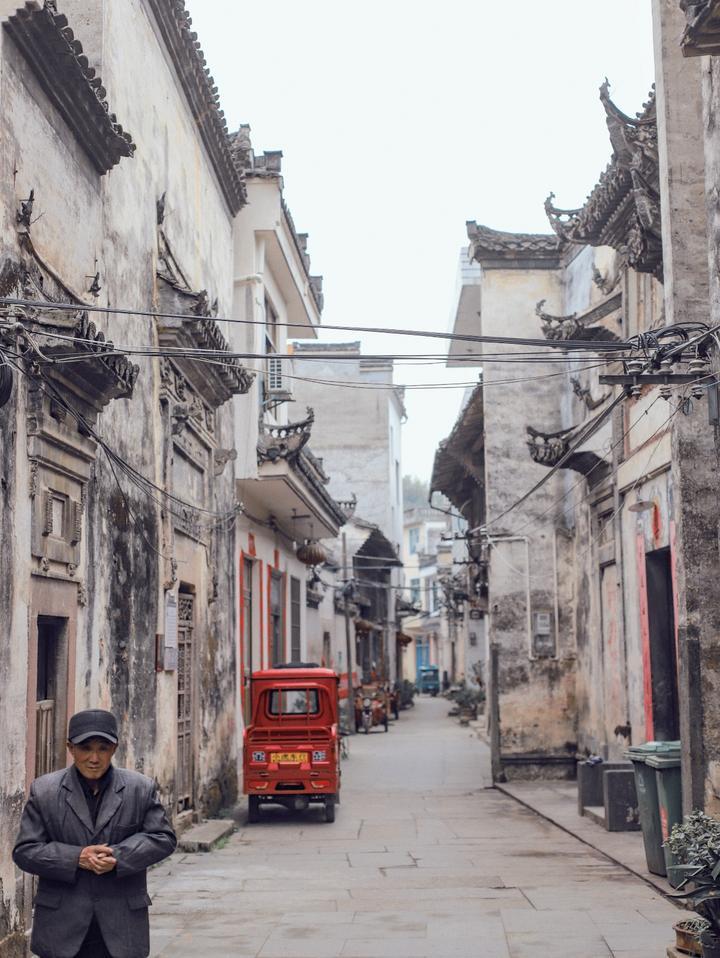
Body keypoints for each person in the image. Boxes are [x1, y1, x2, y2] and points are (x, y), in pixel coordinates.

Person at [13, 708, 177, 958]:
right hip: (62, 927)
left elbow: (162, 838)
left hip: (121, 927)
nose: (94, 757)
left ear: (115, 748)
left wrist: (118, 856)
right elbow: (25, 851)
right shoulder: (44, 791)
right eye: (85, 748)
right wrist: (77, 857)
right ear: (70, 748)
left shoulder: (139, 788)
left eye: (103, 748)